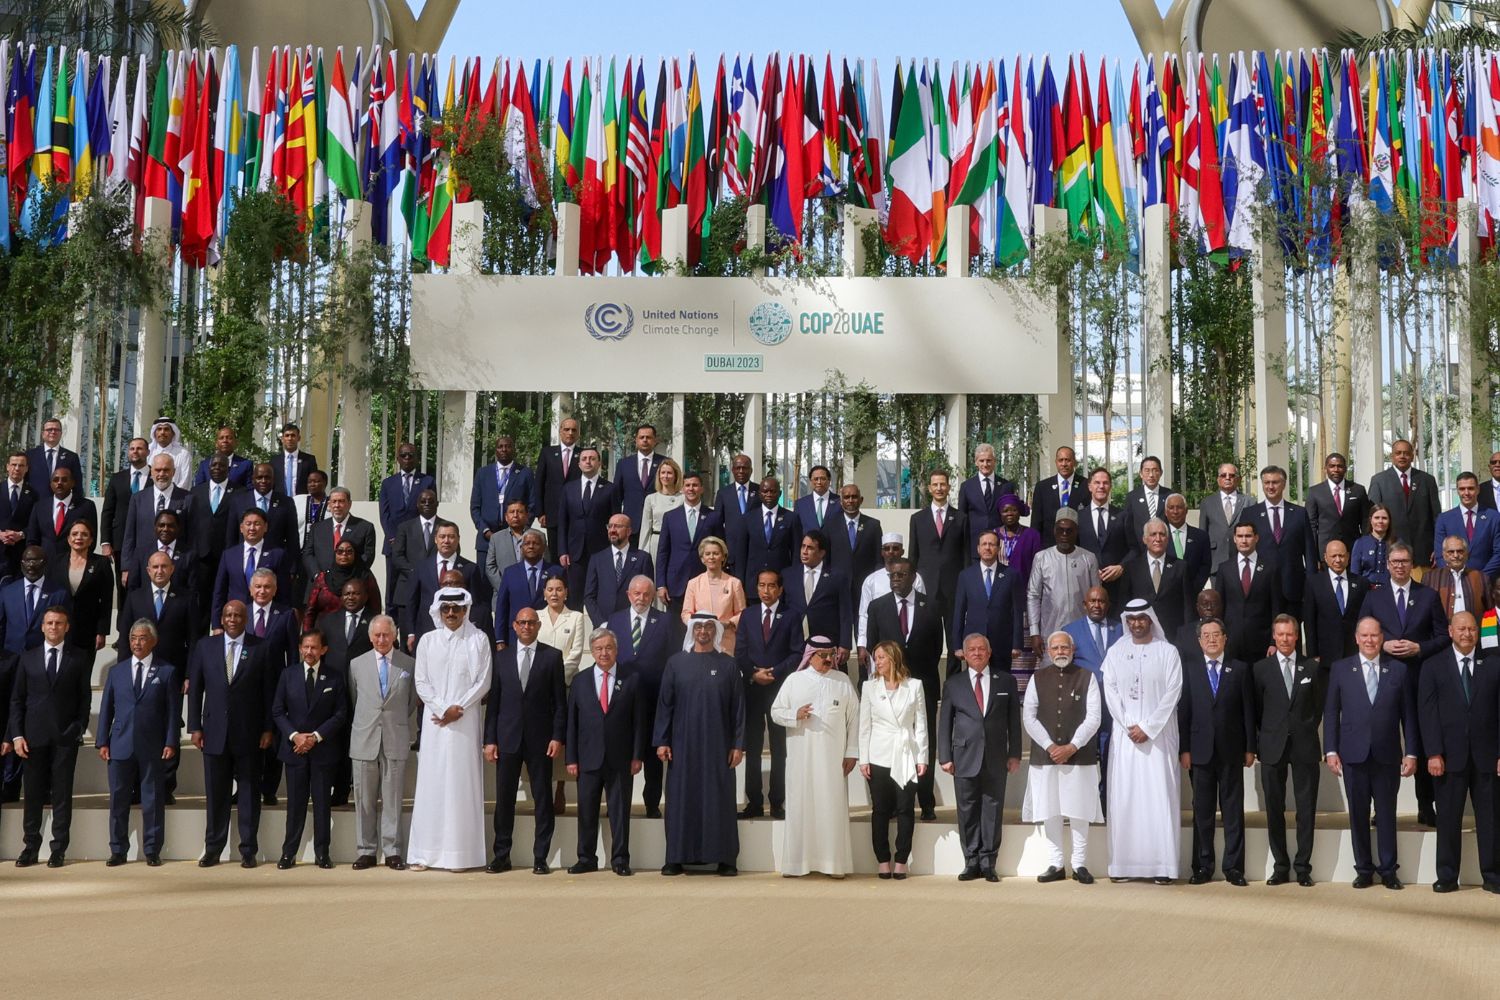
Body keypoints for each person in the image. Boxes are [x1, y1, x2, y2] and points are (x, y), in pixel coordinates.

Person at [1325, 616, 1419, 889]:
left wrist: (1411, 752)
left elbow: (1409, 717)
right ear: (1356, 638)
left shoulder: (1398, 670)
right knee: (1358, 814)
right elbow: (1331, 712)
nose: (1369, 640)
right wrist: (1330, 749)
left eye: (1375, 636)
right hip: (1352, 755)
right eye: (1364, 636)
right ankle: (1364, 869)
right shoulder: (1341, 669)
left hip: (1387, 755)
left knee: (1387, 814)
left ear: (1382, 639)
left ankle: (1389, 870)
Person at [1362, 541, 1450, 826]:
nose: (1400, 566)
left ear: (1412, 564)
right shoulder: (1374, 597)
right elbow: (1362, 633)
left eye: (1405, 561)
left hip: (1418, 679)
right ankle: (1380, 807)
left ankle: (1426, 805)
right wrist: (1382, 644)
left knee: (1422, 742)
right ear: (1387, 564)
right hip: (1384, 678)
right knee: (1383, 743)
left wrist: (1419, 649)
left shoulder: (1428, 596)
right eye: (1395, 561)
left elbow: (1442, 637)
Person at [406, 588, 493, 871]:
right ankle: (425, 853)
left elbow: (483, 681)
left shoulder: (478, 640)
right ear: (438, 612)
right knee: (432, 784)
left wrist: (460, 708)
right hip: (435, 724)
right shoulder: (428, 641)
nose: (452, 614)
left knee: (462, 785)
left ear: (466, 610)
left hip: (465, 724)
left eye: (457, 609)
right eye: (446, 609)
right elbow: (421, 682)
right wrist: (443, 708)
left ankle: (461, 855)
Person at [654, 613, 745, 876]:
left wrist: (737, 744)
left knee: (719, 799)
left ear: (715, 631)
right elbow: (665, 705)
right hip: (682, 746)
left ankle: (725, 858)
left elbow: (738, 710)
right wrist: (662, 740)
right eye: (698, 627)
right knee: (680, 798)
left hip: (719, 747)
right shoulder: (675, 663)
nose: (703, 631)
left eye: (708, 627)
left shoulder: (728, 665)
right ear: (691, 630)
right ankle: (675, 857)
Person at [1101, 599, 1183, 884]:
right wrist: (1128, 725)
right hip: (1126, 740)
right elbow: (1109, 691)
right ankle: (1123, 866)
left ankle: (1163, 866)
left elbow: (1173, 693)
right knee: (1125, 798)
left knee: (1159, 797)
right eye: (1132, 618)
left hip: (1159, 740)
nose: (1137, 623)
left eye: (1142, 618)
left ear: (1150, 619)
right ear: (1127, 621)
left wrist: (1148, 727)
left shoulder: (1168, 652)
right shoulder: (1115, 652)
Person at [187, 601, 275, 866]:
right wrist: (195, 726)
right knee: (216, 794)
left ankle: (248, 849)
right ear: (222, 619)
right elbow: (195, 690)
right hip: (213, 733)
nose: (233, 619)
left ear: (246, 618)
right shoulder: (205, 646)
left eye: (238, 615)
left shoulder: (261, 647)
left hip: (249, 733)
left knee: (249, 793)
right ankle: (213, 848)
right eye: (228, 615)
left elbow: (269, 692)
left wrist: (268, 728)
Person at [1418, 612, 1500, 893]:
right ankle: (1447, 875)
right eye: (1461, 629)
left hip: (1487, 756)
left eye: (1472, 629)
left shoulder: (1493, 665)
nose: (1467, 634)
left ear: (1478, 633)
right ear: (1450, 631)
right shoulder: (1432, 666)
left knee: (1490, 819)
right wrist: (1433, 753)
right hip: (1447, 758)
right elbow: (1426, 715)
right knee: (1449, 819)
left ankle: (1492, 875)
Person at [483, 606, 566, 874]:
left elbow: (559, 703)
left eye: (531, 622)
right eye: (522, 622)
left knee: (543, 799)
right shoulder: (502, 658)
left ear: (538, 626)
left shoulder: (552, 657)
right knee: (504, 800)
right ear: (514, 626)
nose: (527, 627)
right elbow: (494, 703)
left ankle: (540, 857)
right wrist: (490, 739)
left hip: (540, 740)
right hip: (507, 739)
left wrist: (557, 736)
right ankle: (501, 855)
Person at [5, 607, 91, 867]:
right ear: (42, 627)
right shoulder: (27, 658)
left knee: (62, 796)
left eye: (59, 623)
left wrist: (77, 729)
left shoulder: (79, 657)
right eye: (50, 623)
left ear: (67, 627)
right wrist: (17, 735)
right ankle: (30, 847)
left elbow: (84, 699)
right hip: (33, 739)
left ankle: (58, 849)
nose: (54, 627)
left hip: (64, 739)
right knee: (31, 795)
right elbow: (17, 700)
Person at [771, 636, 860, 878]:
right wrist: (794, 714)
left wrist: (852, 752)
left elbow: (855, 719)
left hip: (833, 760)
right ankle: (797, 864)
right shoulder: (794, 681)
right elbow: (775, 712)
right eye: (824, 655)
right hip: (802, 758)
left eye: (831, 654)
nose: (829, 659)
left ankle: (833, 865)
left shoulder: (842, 681)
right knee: (801, 806)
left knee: (831, 807)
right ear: (810, 656)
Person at [1178, 617, 1254, 886]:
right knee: (1203, 812)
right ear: (1199, 641)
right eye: (1206, 635)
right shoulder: (1189, 670)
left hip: (1232, 751)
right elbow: (1184, 712)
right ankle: (1202, 866)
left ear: (1225, 638)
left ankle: (1234, 868)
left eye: (1216, 634)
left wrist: (1249, 748)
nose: (1211, 639)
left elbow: (1248, 712)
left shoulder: (1240, 669)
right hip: (1199, 752)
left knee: (1233, 812)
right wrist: (1184, 749)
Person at [865, 558, 944, 818]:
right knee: (890, 741)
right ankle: (892, 803)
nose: (896, 578)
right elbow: (874, 648)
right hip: (889, 686)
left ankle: (927, 801)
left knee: (924, 739)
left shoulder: (930, 605)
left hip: (922, 684)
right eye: (893, 575)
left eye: (901, 574)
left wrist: (915, 679)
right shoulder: (877, 607)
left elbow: (935, 647)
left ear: (913, 576)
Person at [1250, 614, 1326, 886]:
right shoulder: (1260, 669)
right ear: (1274, 636)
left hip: (1305, 746)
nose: (1284, 639)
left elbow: (1318, 708)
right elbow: (1257, 711)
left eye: (1289, 634)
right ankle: (1281, 866)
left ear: (1297, 637)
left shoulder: (1312, 668)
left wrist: (1303, 728)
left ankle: (1303, 867)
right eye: (1280, 634)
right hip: (1272, 747)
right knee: (1274, 809)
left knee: (1306, 809)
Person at [938, 633, 1021, 882]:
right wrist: (944, 756)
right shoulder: (954, 683)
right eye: (971, 649)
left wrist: (1015, 753)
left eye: (981, 649)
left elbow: (1013, 722)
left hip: (996, 756)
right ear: (964, 654)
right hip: (963, 757)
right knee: (967, 810)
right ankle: (971, 861)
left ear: (989, 651)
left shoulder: (1006, 681)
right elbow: (945, 724)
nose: (977, 653)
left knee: (992, 810)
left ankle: (988, 862)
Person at [1023, 631, 1103, 884]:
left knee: (1079, 810)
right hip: (1045, 757)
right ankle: (1056, 863)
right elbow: (1029, 717)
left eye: (1064, 647)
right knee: (1050, 809)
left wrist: (1072, 746)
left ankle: (1079, 863)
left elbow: (1094, 718)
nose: (1060, 652)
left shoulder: (1087, 678)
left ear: (1072, 649)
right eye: (1055, 648)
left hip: (1080, 756)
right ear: (1048, 651)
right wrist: (1050, 746)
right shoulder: (1037, 678)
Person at [567, 628, 648, 876]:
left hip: (621, 758)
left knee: (620, 811)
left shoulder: (632, 678)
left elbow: (639, 722)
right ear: (592, 651)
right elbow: (572, 723)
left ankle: (620, 859)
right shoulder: (580, 681)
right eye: (599, 648)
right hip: (588, 757)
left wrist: (637, 755)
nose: (604, 653)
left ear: (617, 650)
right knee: (587, 811)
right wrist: (571, 758)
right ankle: (586, 858)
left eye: (609, 648)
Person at [97, 620, 178, 866]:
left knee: (152, 799)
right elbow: (106, 709)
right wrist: (102, 741)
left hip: (152, 744)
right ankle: (118, 849)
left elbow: (173, 712)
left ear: (153, 641)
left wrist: (171, 741)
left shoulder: (167, 671)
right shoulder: (117, 671)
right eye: (133, 638)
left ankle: (152, 849)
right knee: (118, 799)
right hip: (120, 744)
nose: (137, 643)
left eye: (142, 638)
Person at [272, 630, 348, 870]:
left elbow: (340, 713)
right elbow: (277, 710)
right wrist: (295, 736)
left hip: (323, 752)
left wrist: (315, 737)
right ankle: (288, 853)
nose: (309, 652)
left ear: (323, 650)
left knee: (322, 805)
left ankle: (322, 853)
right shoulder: (288, 674)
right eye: (305, 647)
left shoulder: (334, 677)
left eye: (314, 648)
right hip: (295, 751)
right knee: (295, 805)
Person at [348, 615, 419, 870]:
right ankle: (366, 850)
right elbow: (355, 698)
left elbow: (411, 702)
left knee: (393, 799)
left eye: (386, 635)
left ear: (394, 635)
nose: (381, 639)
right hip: (365, 738)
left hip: (395, 737)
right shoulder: (356, 664)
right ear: (370, 637)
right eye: (377, 635)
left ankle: (392, 851)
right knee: (364, 800)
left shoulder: (408, 664)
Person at [859, 640, 929, 879]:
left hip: (906, 754)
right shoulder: (869, 687)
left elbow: (921, 724)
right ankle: (883, 859)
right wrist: (863, 758)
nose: (877, 662)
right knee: (880, 809)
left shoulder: (915, 686)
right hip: (878, 754)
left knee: (905, 808)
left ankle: (901, 859)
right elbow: (864, 726)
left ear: (893, 658)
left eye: (881, 657)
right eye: (875, 658)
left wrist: (923, 757)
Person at [735, 569, 801, 820]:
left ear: (780, 589)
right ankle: (753, 801)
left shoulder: (791, 616)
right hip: (752, 689)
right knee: (751, 747)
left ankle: (777, 801)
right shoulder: (748, 615)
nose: (766, 590)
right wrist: (753, 673)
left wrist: (774, 671)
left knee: (779, 747)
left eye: (771, 586)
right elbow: (740, 651)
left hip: (779, 689)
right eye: (762, 585)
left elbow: (797, 652)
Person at [608, 575, 675, 817]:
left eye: (646, 594)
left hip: (655, 698)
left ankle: (651, 803)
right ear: (628, 594)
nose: (641, 598)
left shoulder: (666, 621)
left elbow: (672, 659)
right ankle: (619, 803)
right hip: (623, 699)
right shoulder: (615, 620)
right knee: (622, 753)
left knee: (652, 754)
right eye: (637, 593)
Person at [538, 575, 587, 815]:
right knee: (544, 736)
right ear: (544, 593)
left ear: (566, 593)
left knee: (565, 736)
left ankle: (560, 788)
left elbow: (576, 652)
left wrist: (556, 680)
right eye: (550, 589)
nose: (555, 594)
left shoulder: (576, 617)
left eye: (559, 589)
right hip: (540, 689)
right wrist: (544, 682)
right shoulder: (535, 618)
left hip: (567, 686)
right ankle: (544, 789)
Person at [908, 469, 967, 653]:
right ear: (929, 488)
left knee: (954, 642)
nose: (939, 488)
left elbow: (965, 555)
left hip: (953, 588)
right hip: (927, 588)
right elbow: (913, 555)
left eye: (943, 484)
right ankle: (930, 682)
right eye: (935, 484)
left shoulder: (961, 518)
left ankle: (952, 681)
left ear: (949, 487)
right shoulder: (917, 519)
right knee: (927, 641)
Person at [1242, 464, 1317, 609]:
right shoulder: (1249, 514)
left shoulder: (1299, 513)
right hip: (1260, 587)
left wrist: (1311, 585)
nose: (1270, 487)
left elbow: (1309, 552)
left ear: (1283, 484)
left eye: (1275, 482)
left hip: (1293, 589)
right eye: (1267, 483)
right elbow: (1242, 549)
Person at [655, 471, 722, 628]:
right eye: (688, 485)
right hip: (675, 585)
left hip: (705, 582)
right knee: (675, 632)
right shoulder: (670, 517)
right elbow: (663, 553)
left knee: (702, 630)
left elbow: (720, 549)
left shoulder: (713, 517)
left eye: (695, 485)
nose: (691, 489)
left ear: (701, 489)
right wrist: (661, 584)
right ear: (683, 489)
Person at [1027, 508, 1099, 656]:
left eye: (1069, 531)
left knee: (1081, 676)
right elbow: (1033, 595)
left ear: (1076, 531)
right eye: (1061, 530)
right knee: (1051, 676)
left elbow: (1096, 597)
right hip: (1050, 631)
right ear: (1054, 531)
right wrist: (1034, 632)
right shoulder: (1042, 558)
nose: (1064, 535)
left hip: (1083, 632)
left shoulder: (1088, 558)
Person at [401, 523, 484, 649]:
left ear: (458, 539)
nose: (446, 541)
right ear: (435, 539)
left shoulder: (470, 568)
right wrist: (411, 633)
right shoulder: (421, 567)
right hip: (426, 631)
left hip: (460, 634)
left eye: (451, 537)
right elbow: (412, 601)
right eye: (442, 536)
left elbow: (476, 604)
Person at [1367, 439, 1442, 576]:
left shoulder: (1427, 480)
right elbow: (1374, 519)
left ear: (1412, 456)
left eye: (1406, 453)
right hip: (1390, 552)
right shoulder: (1379, 481)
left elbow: (1436, 516)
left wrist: (1437, 546)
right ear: (1392, 456)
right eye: (1398, 453)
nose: (1402, 456)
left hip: (1423, 554)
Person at [951, 531, 1024, 670]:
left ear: (998, 548)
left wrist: (1016, 644)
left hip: (1002, 642)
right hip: (974, 643)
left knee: (1001, 684)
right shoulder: (966, 576)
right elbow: (959, 612)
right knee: (976, 683)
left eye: (991, 544)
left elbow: (1017, 611)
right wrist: (957, 645)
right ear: (978, 548)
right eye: (984, 544)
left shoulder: (1011, 575)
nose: (987, 548)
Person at [557, 446, 620, 609]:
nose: (588, 462)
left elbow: (615, 522)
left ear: (599, 463)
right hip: (574, 552)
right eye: (584, 459)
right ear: (578, 464)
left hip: (601, 550)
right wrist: (563, 550)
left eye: (592, 458)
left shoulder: (610, 488)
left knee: (600, 597)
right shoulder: (568, 489)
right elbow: (563, 522)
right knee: (574, 598)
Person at [377, 442, 435, 613]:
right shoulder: (388, 483)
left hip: (418, 544)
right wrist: (394, 538)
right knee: (392, 589)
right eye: (403, 455)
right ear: (398, 459)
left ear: (416, 458)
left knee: (421, 587)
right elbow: (384, 514)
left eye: (411, 455)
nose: (407, 458)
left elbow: (429, 511)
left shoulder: (427, 481)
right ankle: (392, 632)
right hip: (393, 543)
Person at [1214, 521, 1280, 667]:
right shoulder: (1224, 569)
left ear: (1256, 538)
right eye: (1240, 536)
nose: (1244, 540)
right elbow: (1219, 608)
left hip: (1261, 642)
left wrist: (1273, 642)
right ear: (1234, 538)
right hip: (1231, 642)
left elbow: (1276, 607)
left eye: (1248, 536)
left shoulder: (1270, 568)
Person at [855, 534, 927, 667]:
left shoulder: (916, 579)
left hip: (913, 648)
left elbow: (922, 613)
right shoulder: (871, 580)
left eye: (895, 548)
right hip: (883, 643)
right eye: (887, 548)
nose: (891, 552)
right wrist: (862, 644)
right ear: (882, 552)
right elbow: (864, 615)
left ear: (902, 551)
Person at [782, 530, 852, 660]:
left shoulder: (837, 576)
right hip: (795, 643)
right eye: (803, 546)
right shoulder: (788, 575)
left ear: (821, 553)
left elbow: (845, 613)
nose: (804, 551)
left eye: (810, 548)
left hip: (827, 643)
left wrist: (845, 644)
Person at [471, 434, 539, 563]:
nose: (504, 449)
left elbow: (532, 504)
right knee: (484, 579)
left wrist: (521, 530)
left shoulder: (525, 473)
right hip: (486, 539)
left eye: (508, 446)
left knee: (512, 578)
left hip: (515, 538)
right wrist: (485, 530)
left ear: (514, 449)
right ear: (495, 450)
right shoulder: (482, 473)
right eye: (500, 447)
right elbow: (475, 507)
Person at [46, 520, 112, 653]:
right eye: (74, 534)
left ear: (91, 540)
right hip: (59, 630)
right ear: (69, 539)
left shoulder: (102, 563)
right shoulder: (55, 562)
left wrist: (102, 631)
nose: (79, 538)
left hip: (88, 631)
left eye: (84, 534)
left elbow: (107, 600)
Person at [1121, 518, 1192, 640]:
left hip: (1173, 634)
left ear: (1168, 539)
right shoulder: (1132, 567)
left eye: (1162, 534)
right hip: (1142, 634)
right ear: (1144, 539)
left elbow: (1188, 605)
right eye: (1153, 534)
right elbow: (1124, 603)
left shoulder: (1180, 566)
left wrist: (1188, 635)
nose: (1158, 539)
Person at [1304, 539, 1370, 668]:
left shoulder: (1361, 583)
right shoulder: (1314, 583)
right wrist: (1313, 654)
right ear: (1325, 558)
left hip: (1354, 653)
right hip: (1325, 655)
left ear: (1348, 557)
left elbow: (1365, 617)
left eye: (1341, 555)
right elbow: (1309, 621)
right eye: (1333, 556)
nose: (1338, 560)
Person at [101, 436, 151, 597]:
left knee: (147, 587)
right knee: (123, 587)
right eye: (132, 448)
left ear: (147, 452)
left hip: (148, 541)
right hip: (121, 542)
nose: (135, 451)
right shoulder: (117, 478)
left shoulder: (155, 476)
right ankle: (124, 622)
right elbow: (108, 511)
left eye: (139, 448)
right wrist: (106, 542)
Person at [681, 535, 747, 655]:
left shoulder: (734, 583)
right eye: (708, 554)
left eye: (716, 553)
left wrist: (729, 623)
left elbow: (742, 612)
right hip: (701, 642)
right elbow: (686, 613)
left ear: (723, 557)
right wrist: (699, 624)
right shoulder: (693, 583)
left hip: (725, 642)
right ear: (702, 558)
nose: (711, 557)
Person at [585, 513, 654, 626]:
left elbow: (649, 594)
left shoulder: (642, 558)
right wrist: (601, 623)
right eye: (610, 526)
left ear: (629, 531)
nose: (612, 530)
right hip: (603, 625)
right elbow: (589, 596)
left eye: (617, 526)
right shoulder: (597, 559)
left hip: (632, 625)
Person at [302, 486, 378, 586]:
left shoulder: (364, 527)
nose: (337, 505)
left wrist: (349, 576)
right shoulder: (317, 528)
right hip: (321, 585)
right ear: (329, 505)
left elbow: (367, 556)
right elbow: (308, 554)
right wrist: (317, 576)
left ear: (349, 504)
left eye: (341, 501)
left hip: (351, 585)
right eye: (334, 501)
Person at [0, 546, 68, 654]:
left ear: (45, 563)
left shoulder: (58, 594)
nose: (31, 565)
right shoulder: (7, 592)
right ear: (21, 564)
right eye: (27, 561)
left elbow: (65, 629)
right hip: (11, 658)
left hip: (43, 658)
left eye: (36, 561)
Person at [303, 539, 381, 631]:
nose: (344, 555)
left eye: (349, 551)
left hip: (355, 634)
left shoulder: (365, 577)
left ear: (355, 554)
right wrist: (307, 637)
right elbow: (310, 612)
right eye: (340, 551)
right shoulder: (323, 578)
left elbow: (375, 610)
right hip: (324, 634)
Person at [959, 443, 1021, 557]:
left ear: (995, 461)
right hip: (975, 547)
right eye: (981, 461)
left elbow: (1011, 516)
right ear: (976, 462)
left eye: (989, 460)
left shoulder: (1006, 486)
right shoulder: (966, 487)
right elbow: (962, 518)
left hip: (1001, 546)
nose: (985, 464)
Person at [225, 462, 299, 555]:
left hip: (276, 561)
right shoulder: (238, 502)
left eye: (267, 477)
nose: (263, 481)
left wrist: (293, 567)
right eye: (259, 477)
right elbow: (231, 537)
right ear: (253, 480)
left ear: (273, 480)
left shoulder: (286, 502)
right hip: (245, 559)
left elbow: (293, 538)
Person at [1435, 472, 1500, 578]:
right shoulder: (1444, 519)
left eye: (1470, 488)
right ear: (1457, 491)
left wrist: (1481, 577)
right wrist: (1455, 577)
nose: (1466, 493)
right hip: (1454, 582)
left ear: (1478, 489)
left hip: (1486, 581)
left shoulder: (1494, 517)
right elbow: (1440, 555)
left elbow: (1498, 553)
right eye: (1462, 489)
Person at [1305, 452, 1370, 558]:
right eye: (1332, 466)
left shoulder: (1358, 490)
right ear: (1325, 469)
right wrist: (1313, 555)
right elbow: (1311, 525)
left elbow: (1365, 521)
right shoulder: (1315, 492)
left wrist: (1365, 546)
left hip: (1353, 550)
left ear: (1345, 468)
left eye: (1339, 466)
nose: (1336, 469)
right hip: (1326, 553)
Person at [825, 483, 882, 600]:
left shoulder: (873, 525)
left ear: (861, 500)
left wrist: (877, 583)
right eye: (846, 497)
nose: (850, 500)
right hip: (838, 586)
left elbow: (879, 559)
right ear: (841, 502)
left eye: (854, 497)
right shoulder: (830, 525)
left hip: (866, 586)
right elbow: (826, 559)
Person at [26, 466, 98, 558]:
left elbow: (92, 538)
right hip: (46, 563)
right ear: (51, 484)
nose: (59, 483)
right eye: (55, 480)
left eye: (64, 480)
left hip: (74, 562)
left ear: (72, 483)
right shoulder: (39, 506)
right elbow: (32, 539)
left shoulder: (86, 506)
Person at [740, 476, 796, 590]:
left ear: (779, 493)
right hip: (754, 583)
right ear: (759, 494)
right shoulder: (748, 518)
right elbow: (742, 553)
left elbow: (795, 553)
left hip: (782, 583)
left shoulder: (791, 518)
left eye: (773, 491)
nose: (769, 494)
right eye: (765, 491)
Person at [615, 424, 664, 546]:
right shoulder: (623, 464)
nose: (645, 440)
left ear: (655, 440)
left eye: (648, 437)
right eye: (641, 437)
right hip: (631, 526)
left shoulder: (664, 463)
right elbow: (616, 496)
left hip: (657, 526)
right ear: (636, 440)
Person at [714, 453, 757, 584]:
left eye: (745, 468)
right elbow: (717, 524)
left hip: (754, 552)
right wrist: (723, 547)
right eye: (738, 468)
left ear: (751, 470)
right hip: (731, 554)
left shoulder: (760, 491)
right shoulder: (723, 493)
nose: (741, 471)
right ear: (732, 470)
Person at [1198, 463, 1250, 572]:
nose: (1227, 478)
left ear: (1238, 479)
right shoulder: (1207, 503)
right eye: (1223, 475)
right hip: (1215, 562)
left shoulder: (1249, 502)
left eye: (1231, 475)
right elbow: (1202, 534)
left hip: (1242, 561)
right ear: (1218, 479)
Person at [1030, 446, 1087, 543]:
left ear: (1074, 462)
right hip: (1049, 547)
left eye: (1067, 460)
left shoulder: (1086, 485)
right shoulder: (1042, 487)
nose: (1064, 464)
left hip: (1078, 546)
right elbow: (1036, 522)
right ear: (1056, 462)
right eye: (1061, 460)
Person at [1432, 535, 1492, 622]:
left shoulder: (1481, 578)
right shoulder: (1431, 578)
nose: (1456, 555)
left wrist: (1488, 635)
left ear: (1466, 554)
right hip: (1443, 633)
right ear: (1444, 555)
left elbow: (1490, 612)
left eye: (1460, 551)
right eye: (1451, 552)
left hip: (1474, 632)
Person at [1162, 493, 1212, 596]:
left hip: (1193, 594)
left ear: (1186, 510)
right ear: (1166, 512)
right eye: (1171, 508)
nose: (1175, 511)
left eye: (1179, 507)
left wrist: (1193, 589)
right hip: (1165, 595)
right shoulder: (1159, 537)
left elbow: (1205, 565)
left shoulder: (1201, 536)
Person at [1, 451, 40, 580]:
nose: (17, 468)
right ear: (7, 466)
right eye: (14, 464)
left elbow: (36, 524)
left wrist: (21, 534)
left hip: (21, 555)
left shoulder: (34, 495)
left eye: (21, 465)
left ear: (27, 468)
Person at [638, 457, 684, 566]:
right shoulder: (651, 498)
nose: (665, 476)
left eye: (669, 473)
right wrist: (642, 552)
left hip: (677, 542)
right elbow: (646, 527)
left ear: (676, 475)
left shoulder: (683, 499)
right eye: (663, 473)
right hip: (656, 541)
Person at [994, 493, 1041, 597]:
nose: (1010, 513)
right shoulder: (993, 535)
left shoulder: (1032, 535)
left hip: (1024, 591)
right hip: (998, 592)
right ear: (1000, 514)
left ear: (1019, 512)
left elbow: (1038, 567)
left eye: (1014, 510)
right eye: (1005, 511)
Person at [1124, 455, 1174, 553]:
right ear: (1141, 474)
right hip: (1140, 552)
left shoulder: (1170, 495)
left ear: (1161, 473)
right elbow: (1128, 527)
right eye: (1147, 470)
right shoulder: (1132, 497)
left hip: (1165, 550)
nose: (1151, 475)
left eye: (1155, 470)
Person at [25, 417, 83, 498]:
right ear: (43, 433)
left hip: (61, 506)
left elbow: (77, 486)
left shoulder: (71, 457)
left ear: (61, 433)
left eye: (56, 430)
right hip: (35, 505)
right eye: (49, 429)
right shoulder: (30, 455)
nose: (53, 432)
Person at [1350, 503, 1394, 587]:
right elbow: (1355, 574)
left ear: (1389, 521)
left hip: (1390, 592)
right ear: (1370, 520)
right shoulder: (1360, 543)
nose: (1380, 521)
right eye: (1377, 518)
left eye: (1384, 518)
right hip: (1366, 591)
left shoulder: (1396, 543)